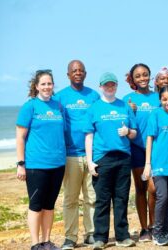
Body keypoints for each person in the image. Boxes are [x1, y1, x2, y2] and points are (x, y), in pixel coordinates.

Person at [84, 72, 137, 249]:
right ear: (101, 87)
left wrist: (128, 131)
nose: (110, 87)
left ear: (116, 86)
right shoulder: (94, 108)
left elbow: (135, 132)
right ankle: (100, 237)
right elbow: (89, 136)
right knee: (102, 199)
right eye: (106, 85)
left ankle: (122, 236)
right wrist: (90, 162)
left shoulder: (125, 106)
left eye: (112, 84)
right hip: (102, 159)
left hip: (123, 157)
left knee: (121, 199)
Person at [16, 69, 66, 250]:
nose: (47, 87)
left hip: (58, 164)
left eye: (49, 83)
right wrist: (21, 164)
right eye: (43, 84)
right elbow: (20, 137)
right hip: (36, 165)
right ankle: (35, 243)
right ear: (36, 86)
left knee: (49, 205)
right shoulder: (30, 106)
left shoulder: (58, 106)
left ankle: (46, 241)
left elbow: (62, 132)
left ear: (53, 86)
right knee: (36, 205)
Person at [55, 60, 99, 250]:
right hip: (70, 155)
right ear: (68, 74)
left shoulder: (94, 96)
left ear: (85, 73)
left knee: (91, 197)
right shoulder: (60, 97)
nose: (78, 73)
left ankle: (91, 234)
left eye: (81, 70)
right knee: (71, 198)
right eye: (74, 71)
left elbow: (100, 122)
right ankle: (70, 237)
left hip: (92, 155)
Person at [122, 63, 158, 242]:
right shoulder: (127, 100)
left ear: (150, 76)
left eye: (145, 75)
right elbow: (123, 125)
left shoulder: (158, 97)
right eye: (138, 76)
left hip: (156, 149)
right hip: (136, 148)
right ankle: (144, 229)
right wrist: (131, 111)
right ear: (133, 79)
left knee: (153, 188)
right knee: (140, 188)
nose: (142, 78)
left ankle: (154, 225)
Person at [143, 86, 168, 246]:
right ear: (160, 100)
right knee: (163, 196)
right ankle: (157, 232)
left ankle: (166, 231)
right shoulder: (155, 114)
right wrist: (148, 164)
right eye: (165, 99)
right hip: (159, 163)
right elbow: (149, 139)